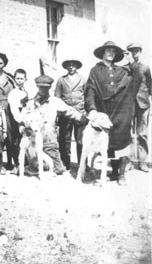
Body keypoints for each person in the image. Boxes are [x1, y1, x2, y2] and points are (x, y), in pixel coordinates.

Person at [85, 41, 143, 185]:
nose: (111, 53)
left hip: (122, 112)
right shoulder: (95, 70)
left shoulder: (122, 71)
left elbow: (136, 79)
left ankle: (122, 175)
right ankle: (114, 172)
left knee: (122, 140)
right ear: (103, 53)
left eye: (113, 51)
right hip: (104, 112)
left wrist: (132, 63)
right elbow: (90, 90)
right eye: (108, 50)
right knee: (108, 142)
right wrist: (92, 109)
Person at [22, 75, 87, 176]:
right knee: (36, 163)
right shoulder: (30, 103)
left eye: (46, 87)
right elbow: (23, 120)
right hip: (34, 142)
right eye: (41, 87)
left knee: (59, 169)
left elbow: (70, 111)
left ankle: (40, 169)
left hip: (49, 142)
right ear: (37, 87)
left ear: (49, 88)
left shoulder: (55, 102)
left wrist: (83, 118)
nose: (43, 89)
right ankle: (34, 168)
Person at [55, 59, 87, 169]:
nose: (71, 67)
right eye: (69, 65)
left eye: (73, 65)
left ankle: (82, 163)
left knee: (81, 140)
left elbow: (87, 96)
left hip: (80, 113)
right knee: (65, 140)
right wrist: (59, 114)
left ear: (77, 67)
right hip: (65, 114)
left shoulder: (83, 79)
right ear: (66, 67)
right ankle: (65, 163)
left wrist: (86, 113)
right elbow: (57, 99)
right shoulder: (61, 80)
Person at [126, 43, 151, 172]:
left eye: (136, 51)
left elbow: (149, 86)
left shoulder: (145, 68)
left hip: (143, 105)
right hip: (129, 104)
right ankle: (129, 161)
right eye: (132, 51)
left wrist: (147, 100)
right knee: (129, 132)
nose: (135, 54)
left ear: (140, 52)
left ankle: (142, 161)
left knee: (142, 134)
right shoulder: (126, 68)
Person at [7, 69, 32, 175]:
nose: (19, 81)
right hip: (16, 118)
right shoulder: (13, 93)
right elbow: (14, 108)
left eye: (22, 78)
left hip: (25, 117)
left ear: (25, 79)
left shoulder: (26, 91)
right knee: (16, 141)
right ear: (14, 79)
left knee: (25, 140)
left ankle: (26, 164)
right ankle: (17, 165)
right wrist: (20, 120)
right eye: (17, 78)